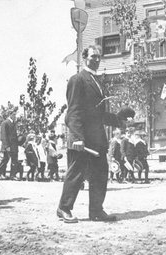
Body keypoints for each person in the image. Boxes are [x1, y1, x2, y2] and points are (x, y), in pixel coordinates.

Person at [57, 45, 135, 223]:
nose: (97, 60)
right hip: (81, 138)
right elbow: (73, 112)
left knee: (100, 174)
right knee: (76, 174)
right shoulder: (77, 79)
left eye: (99, 57)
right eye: (93, 57)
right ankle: (64, 208)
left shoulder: (98, 82)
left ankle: (96, 210)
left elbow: (99, 114)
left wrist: (120, 120)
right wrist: (77, 137)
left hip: (97, 138)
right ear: (85, 58)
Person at [0, 110, 19, 180]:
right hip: (8, 146)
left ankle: (13, 175)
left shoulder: (14, 123)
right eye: (13, 115)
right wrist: (7, 146)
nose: (15, 116)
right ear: (10, 115)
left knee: (14, 161)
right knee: (5, 160)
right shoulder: (5, 123)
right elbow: (3, 136)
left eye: (15, 115)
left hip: (14, 146)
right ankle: (0, 173)